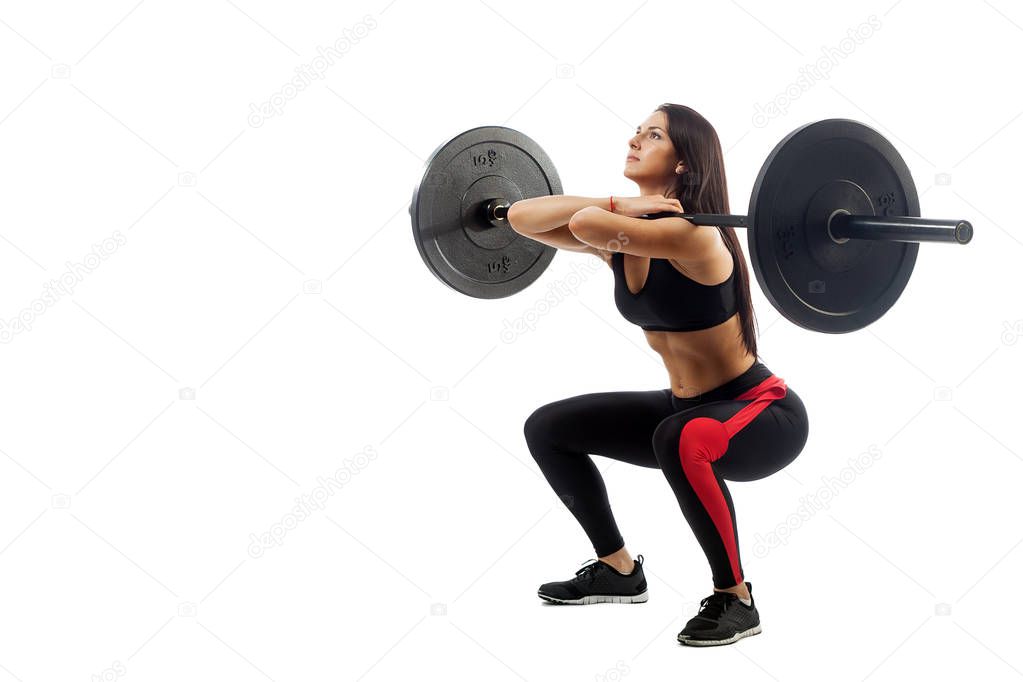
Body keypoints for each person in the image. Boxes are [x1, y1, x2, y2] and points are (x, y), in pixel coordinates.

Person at [506, 103, 809, 647]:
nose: (634, 140)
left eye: (652, 135)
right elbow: (522, 217)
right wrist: (630, 204)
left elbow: (583, 223)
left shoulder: (695, 238)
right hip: (686, 409)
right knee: (547, 427)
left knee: (680, 435)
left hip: (761, 413)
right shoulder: (629, 234)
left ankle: (735, 598)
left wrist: (621, 208)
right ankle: (619, 570)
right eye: (636, 131)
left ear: (684, 165)